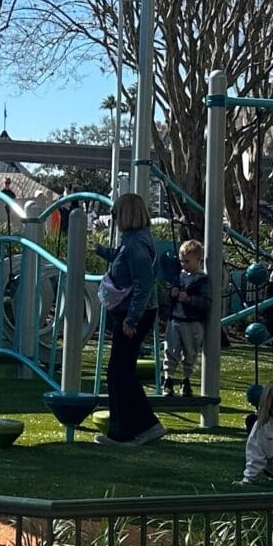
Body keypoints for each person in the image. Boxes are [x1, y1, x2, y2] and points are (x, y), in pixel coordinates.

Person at [94, 191, 166, 446]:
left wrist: (131, 319)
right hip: (134, 312)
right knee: (120, 370)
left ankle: (127, 429)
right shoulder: (137, 239)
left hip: (133, 313)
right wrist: (103, 251)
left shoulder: (135, 243)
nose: (113, 218)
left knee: (119, 372)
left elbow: (143, 284)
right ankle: (144, 424)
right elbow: (125, 261)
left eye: (115, 213)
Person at [165, 239, 210, 398]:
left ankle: (186, 380)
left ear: (198, 260)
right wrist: (172, 294)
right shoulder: (179, 277)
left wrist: (189, 300)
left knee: (191, 353)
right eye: (182, 261)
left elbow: (205, 302)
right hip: (176, 319)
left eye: (187, 261)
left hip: (192, 322)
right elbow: (169, 297)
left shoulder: (202, 280)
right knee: (171, 349)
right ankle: (168, 379)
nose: (183, 264)